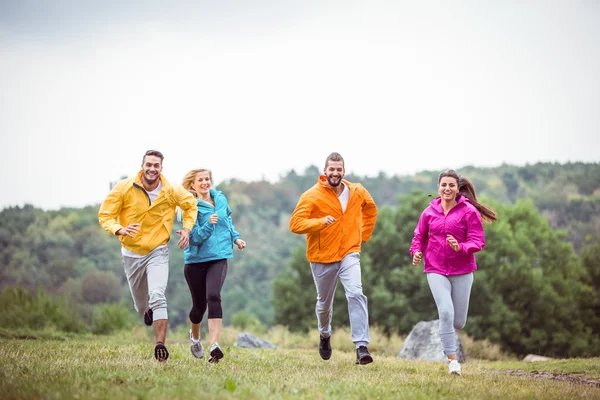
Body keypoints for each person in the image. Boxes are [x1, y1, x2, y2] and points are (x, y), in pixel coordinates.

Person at [98, 150, 197, 362]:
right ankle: (147, 310)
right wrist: (118, 229)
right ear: (142, 166)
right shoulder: (124, 187)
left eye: (156, 166)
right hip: (131, 253)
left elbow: (191, 205)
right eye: (149, 165)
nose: (152, 169)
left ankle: (160, 345)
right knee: (141, 305)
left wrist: (187, 229)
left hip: (158, 250)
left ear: (161, 168)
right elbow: (105, 215)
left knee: (158, 295)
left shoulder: (171, 190)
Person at [289, 152, 378, 365]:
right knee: (324, 304)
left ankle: (361, 346)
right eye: (332, 169)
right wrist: (319, 222)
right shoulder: (311, 195)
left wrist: (363, 236)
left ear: (344, 171)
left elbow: (371, 210)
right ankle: (325, 334)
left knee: (356, 293)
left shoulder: (357, 191)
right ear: (325, 171)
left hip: (349, 251)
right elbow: (295, 224)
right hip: (322, 257)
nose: (335, 173)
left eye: (339, 169)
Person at [410, 169, 497, 376]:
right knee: (446, 312)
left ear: (458, 189)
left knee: (458, 321)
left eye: (451, 185)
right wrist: (416, 252)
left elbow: (478, 241)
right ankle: (453, 361)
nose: (447, 188)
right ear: (438, 188)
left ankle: (451, 348)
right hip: (435, 268)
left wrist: (461, 247)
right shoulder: (429, 212)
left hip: (462, 270)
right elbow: (418, 237)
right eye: (444, 185)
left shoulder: (468, 211)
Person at [181, 168, 246, 363]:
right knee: (199, 307)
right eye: (200, 180)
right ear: (192, 185)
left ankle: (214, 346)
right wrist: (208, 223)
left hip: (219, 256)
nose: (204, 183)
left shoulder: (220, 199)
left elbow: (227, 222)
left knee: (214, 296)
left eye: (207, 179)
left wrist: (236, 238)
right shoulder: (190, 207)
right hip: (195, 260)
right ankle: (195, 337)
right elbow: (193, 238)